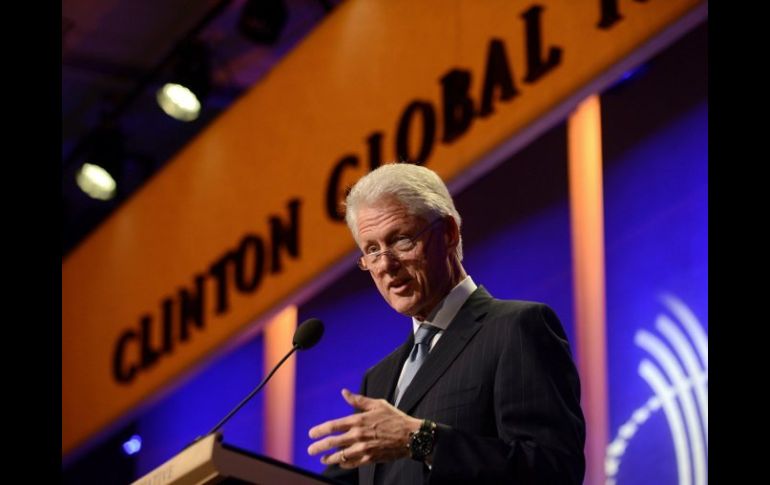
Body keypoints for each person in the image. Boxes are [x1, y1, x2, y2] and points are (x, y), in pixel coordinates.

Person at [307, 163, 585, 484]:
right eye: (371, 250)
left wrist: (421, 438)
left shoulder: (516, 328)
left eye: (400, 239)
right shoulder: (378, 380)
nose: (386, 265)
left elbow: (553, 470)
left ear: (449, 233)